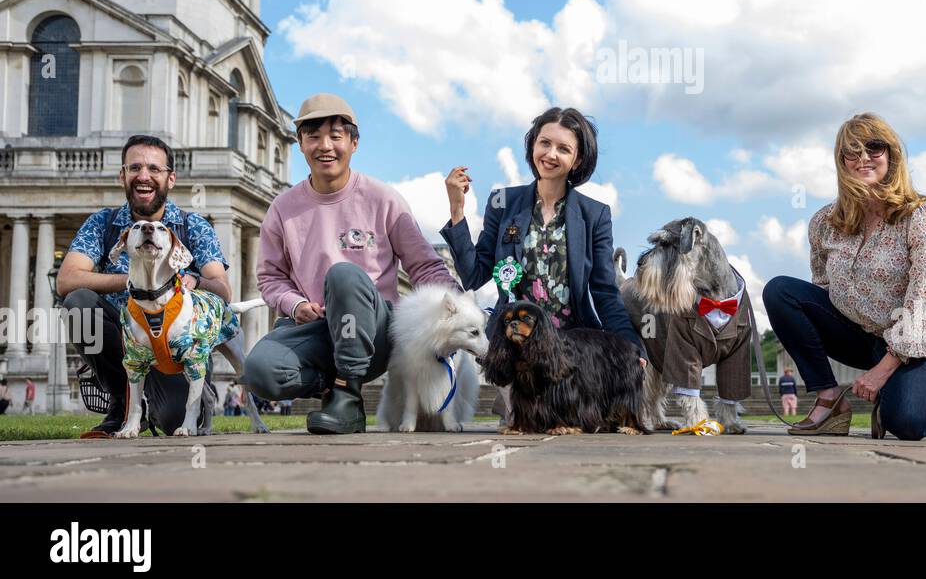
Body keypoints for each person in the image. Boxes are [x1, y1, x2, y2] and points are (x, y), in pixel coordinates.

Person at [244, 94, 458, 435]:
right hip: (316, 329)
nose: (324, 145)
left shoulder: (383, 198)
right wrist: (294, 303)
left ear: (354, 142)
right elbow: (270, 278)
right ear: (300, 143)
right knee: (258, 371)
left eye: (336, 135)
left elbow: (425, 267)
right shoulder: (282, 208)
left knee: (343, 275)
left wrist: (457, 308)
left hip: (373, 331)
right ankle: (338, 390)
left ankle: (347, 394)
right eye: (313, 136)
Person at [440, 107, 645, 424]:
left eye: (563, 148)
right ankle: (511, 401)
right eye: (544, 143)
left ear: (577, 160)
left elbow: (605, 292)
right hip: (515, 346)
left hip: (570, 352)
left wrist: (632, 347)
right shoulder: (503, 203)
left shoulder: (595, 215)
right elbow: (473, 274)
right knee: (525, 427)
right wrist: (457, 210)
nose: (550, 154)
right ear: (533, 144)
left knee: (569, 426)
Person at [763, 112, 926, 440]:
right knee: (780, 291)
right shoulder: (824, 222)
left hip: (919, 337)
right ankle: (828, 398)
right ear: (841, 161)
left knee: (908, 424)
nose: (864, 157)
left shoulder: (918, 214)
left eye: (874, 147)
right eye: (852, 151)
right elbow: (822, 288)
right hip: (859, 334)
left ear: (891, 155)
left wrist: (882, 372)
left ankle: (893, 390)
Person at [57, 135, 230, 438]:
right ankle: (121, 401)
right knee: (78, 304)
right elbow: (66, 280)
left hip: (176, 351)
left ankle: (186, 397)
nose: (144, 176)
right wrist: (134, 285)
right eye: (134, 167)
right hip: (126, 339)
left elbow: (223, 290)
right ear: (122, 176)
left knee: (176, 422)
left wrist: (194, 281)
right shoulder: (103, 223)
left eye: (154, 168)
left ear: (170, 178)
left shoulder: (194, 227)